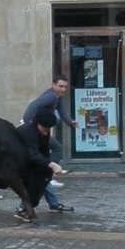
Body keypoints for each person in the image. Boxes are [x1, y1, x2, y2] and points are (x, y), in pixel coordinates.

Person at [20, 75, 77, 209]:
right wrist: (27, 123)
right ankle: (50, 172)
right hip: (34, 130)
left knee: (42, 173)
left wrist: (70, 122)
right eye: (60, 86)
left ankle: (53, 202)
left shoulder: (57, 97)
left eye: (65, 87)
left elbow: (62, 111)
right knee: (56, 149)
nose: (63, 89)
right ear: (53, 85)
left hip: (37, 130)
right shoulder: (51, 96)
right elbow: (33, 105)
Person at [14, 106, 71, 222]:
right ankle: (24, 209)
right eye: (44, 128)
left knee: (43, 180)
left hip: (34, 162)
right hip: (20, 160)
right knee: (34, 184)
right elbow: (33, 154)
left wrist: (49, 167)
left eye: (48, 128)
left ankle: (25, 209)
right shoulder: (28, 132)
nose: (46, 132)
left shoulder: (43, 130)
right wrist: (52, 165)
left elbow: (44, 150)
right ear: (37, 123)